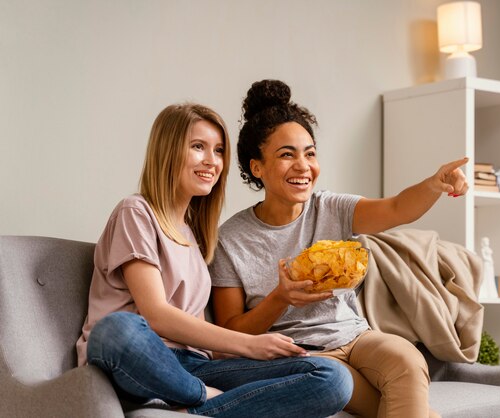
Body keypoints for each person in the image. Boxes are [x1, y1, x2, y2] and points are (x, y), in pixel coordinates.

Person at [210, 80, 468, 418]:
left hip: (357, 337)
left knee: (407, 359)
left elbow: (395, 209)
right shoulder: (231, 239)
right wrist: (280, 298)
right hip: (303, 356)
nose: (303, 166)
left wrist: (433, 185)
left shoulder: (330, 207)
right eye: (287, 155)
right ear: (257, 167)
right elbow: (230, 332)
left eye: (310, 153)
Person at [76, 102, 352, 418]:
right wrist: (250, 345)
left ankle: (199, 412)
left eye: (219, 150)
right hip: (138, 358)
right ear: (167, 151)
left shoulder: (196, 234)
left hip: (195, 365)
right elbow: (156, 316)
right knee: (117, 329)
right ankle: (199, 398)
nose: (212, 161)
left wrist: (251, 353)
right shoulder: (136, 212)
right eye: (198, 147)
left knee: (332, 378)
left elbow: (207, 341)